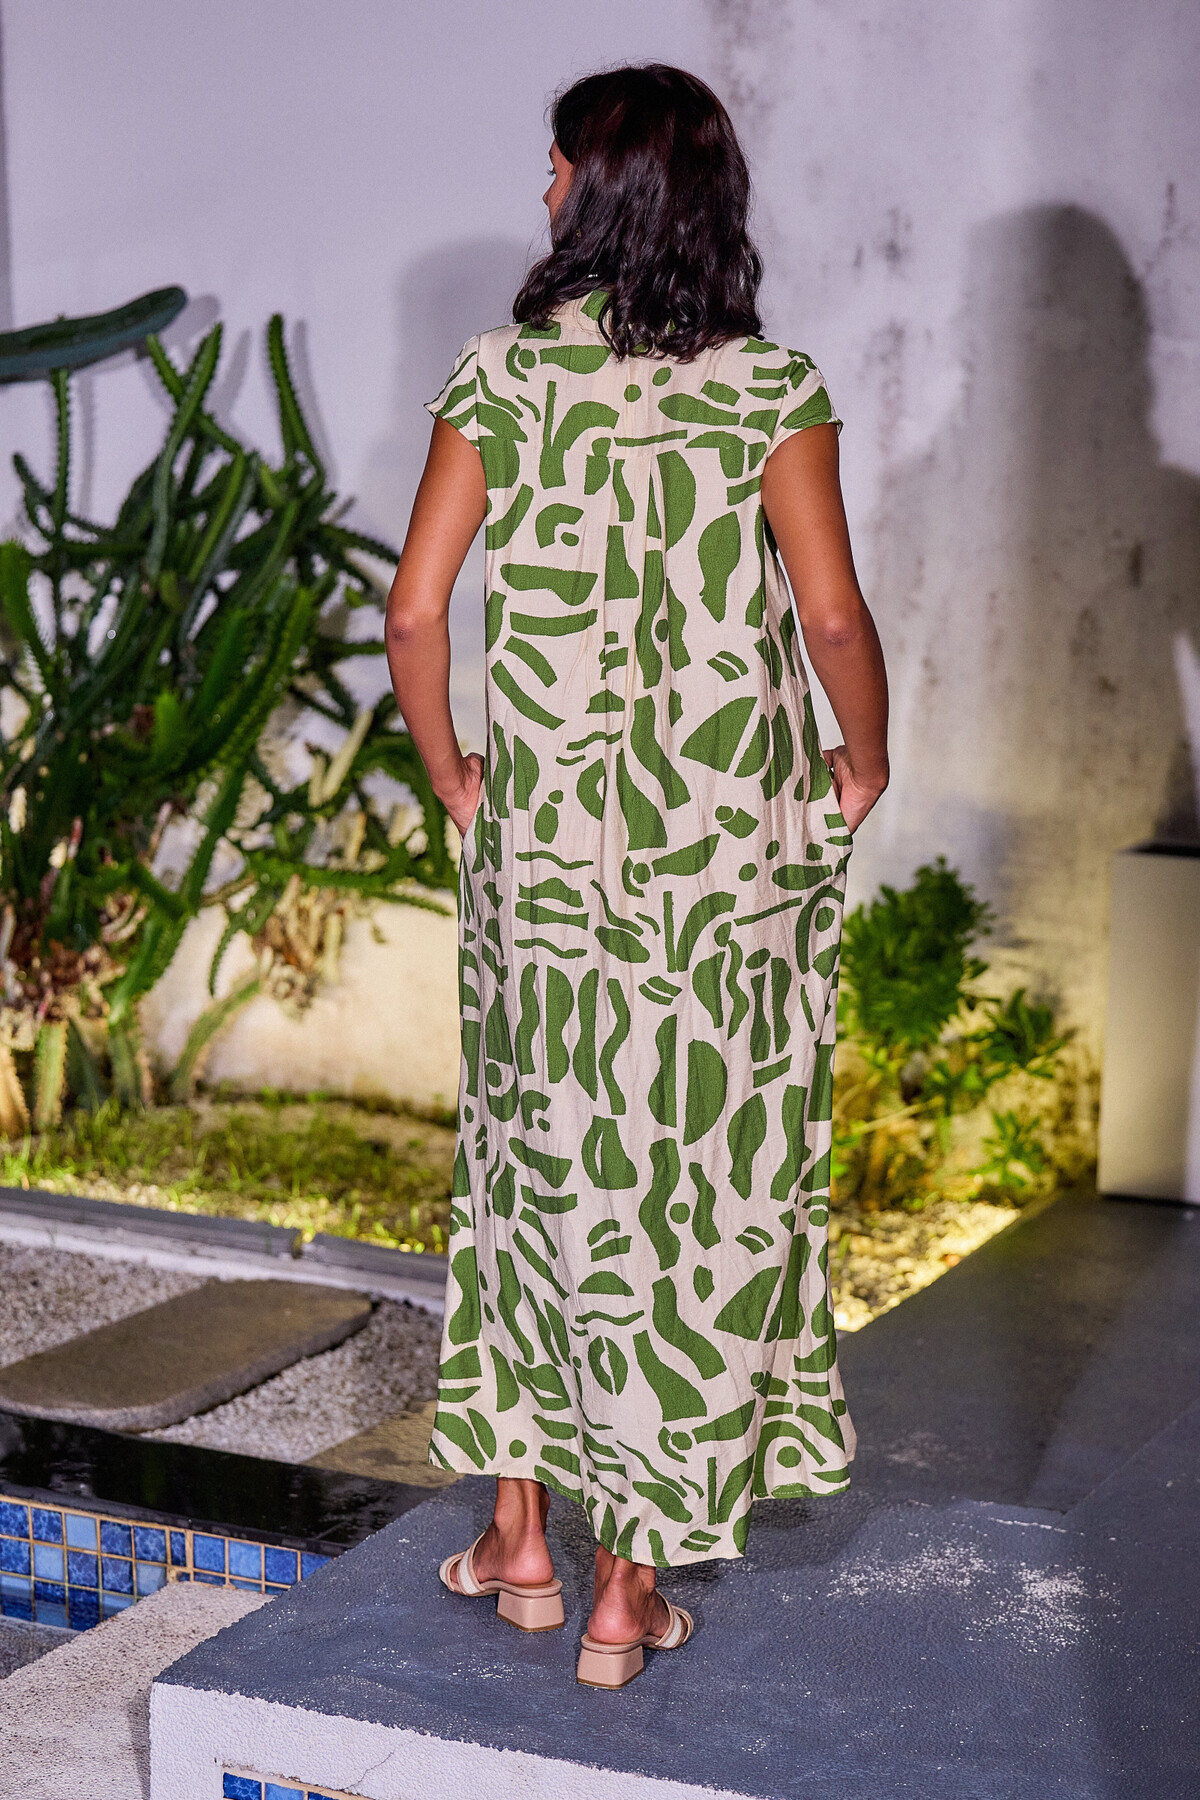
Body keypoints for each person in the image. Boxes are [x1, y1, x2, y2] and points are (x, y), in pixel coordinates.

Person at [385, 63, 889, 1689]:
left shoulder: (500, 377)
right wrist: (864, 756)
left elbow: (415, 609)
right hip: (729, 853)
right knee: (691, 1180)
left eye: (554, 163)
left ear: (598, 192)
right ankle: (625, 1590)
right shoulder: (769, 388)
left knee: (533, 1154)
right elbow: (829, 617)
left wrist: (453, 773)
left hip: (543, 846)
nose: (539, 185)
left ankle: (519, 1540)